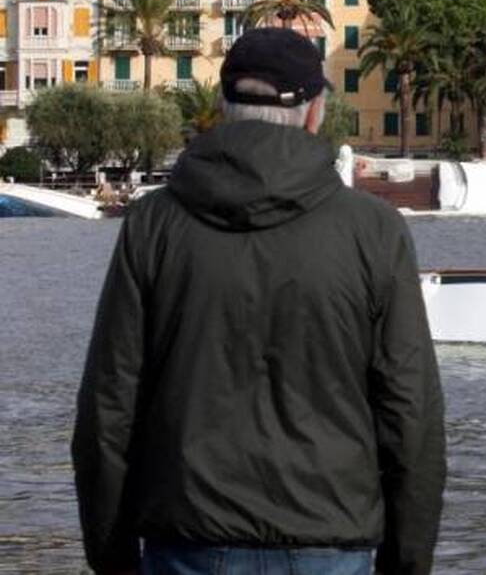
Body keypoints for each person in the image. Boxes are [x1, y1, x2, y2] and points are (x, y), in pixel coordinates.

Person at [72, 28, 446, 575]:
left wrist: (113, 557)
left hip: (186, 543)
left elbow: (109, 405)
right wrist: (406, 561)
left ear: (223, 108)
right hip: (329, 540)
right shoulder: (374, 230)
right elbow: (410, 409)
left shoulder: (153, 224)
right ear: (315, 113)